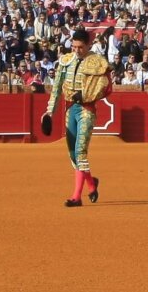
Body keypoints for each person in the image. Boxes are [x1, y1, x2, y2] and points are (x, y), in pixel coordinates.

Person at [44, 28, 112, 208]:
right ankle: (91, 183)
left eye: (80, 47)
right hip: (70, 111)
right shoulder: (66, 61)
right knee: (73, 155)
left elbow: (104, 86)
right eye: (74, 47)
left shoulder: (97, 62)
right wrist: (49, 111)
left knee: (81, 153)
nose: (76, 51)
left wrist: (86, 96)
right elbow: (57, 88)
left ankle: (76, 197)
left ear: (88, 45)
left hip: (86, 111)